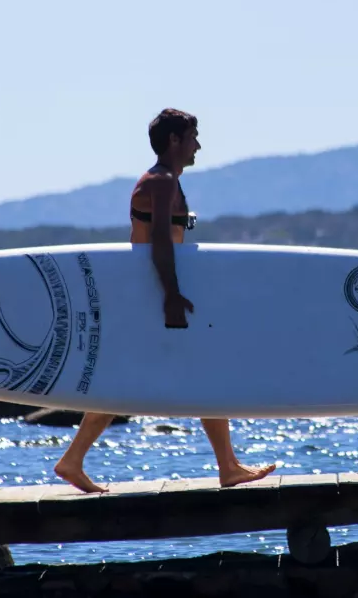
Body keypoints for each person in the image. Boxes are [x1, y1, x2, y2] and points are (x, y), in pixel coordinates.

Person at [54, 108, 277, 494]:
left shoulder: (163, 181)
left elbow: (163, 236)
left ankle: (74, 460)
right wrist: (171, 296)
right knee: (201, 375)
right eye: (192, 137)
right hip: (153, 294)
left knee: (141, 378)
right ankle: (227, 467)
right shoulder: (161, 182)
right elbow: (158, 240)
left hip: (146, 291)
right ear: (174, 140)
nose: (198, 145)